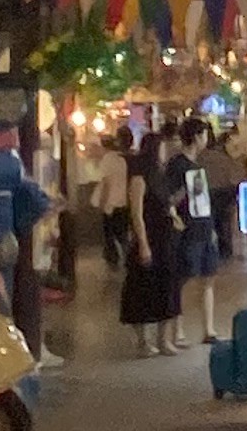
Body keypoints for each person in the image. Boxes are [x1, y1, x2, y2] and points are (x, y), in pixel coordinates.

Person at [119, 123, 184, 356]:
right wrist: (143, 243)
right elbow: (136, 213)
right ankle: (142, 342)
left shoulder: (161, 176)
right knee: (142, 288)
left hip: (166, 238)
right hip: (149, 237)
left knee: (166, 287)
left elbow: (166, 204)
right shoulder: (139, 177)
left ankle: (163, 339)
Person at [174, 117, 225, 348]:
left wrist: (211, 227)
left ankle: (209, 329)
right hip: (189, 230)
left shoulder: (197, 166)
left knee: (208, 277)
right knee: (184, 279)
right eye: (204, 134)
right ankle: (178, 330)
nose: (206, 139)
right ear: (196, 137)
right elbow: (170, 199)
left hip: (203, 227)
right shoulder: (178, 166)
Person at [93, 123, 133, 273]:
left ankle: (114, 260)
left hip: (111, 204)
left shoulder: (109, 159)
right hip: (126, 202)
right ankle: (128, 259)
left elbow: (107, 184)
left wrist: (103, 204)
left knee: (110, 234)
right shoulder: (130, 158)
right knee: (123, 233)